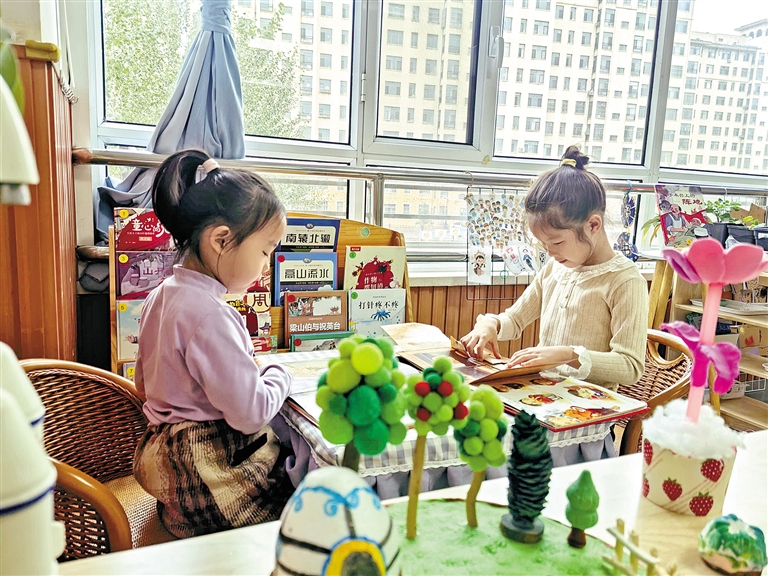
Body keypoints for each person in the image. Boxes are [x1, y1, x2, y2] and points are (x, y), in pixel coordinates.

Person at [133, 149, 292, 538]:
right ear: (221, 240)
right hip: (209, 466)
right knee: (302, 490)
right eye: (265, 251)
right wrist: (279, 373)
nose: (265, 266)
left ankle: (183, 520)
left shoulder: (161, 296)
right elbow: (250, 413)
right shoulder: (210, 314)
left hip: (166, 462)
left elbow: (142, 383)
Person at [460, 146, 647, 393]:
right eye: (542, 244)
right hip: (544, 395)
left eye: (557, 242)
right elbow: (515, 319)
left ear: (593, 225)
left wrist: (569, 355)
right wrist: (492, 323)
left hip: (590, 407)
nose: (549, 252)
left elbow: (630, 366)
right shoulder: (554, 269)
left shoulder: (625, 281)